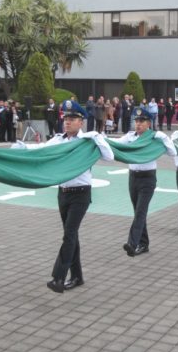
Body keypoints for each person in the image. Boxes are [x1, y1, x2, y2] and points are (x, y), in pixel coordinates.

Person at [12, 100, 114, 292]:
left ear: (81, 121)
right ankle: (77, 276)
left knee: (69, 235)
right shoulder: (58, 140)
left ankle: (58, 277)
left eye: (72, 118)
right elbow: (42, 150)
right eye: (66, 118)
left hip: (81, 194)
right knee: (71, 236)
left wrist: (98, 138)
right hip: (63, 193)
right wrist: (24, 149)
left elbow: (109, 157)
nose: (67, 122)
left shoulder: (87, 142)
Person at [116, 107, 176, 256]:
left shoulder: (154, 137)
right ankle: (144, 244)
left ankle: (132, 243)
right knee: (137, 211)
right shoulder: (130, 137)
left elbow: (173, 152)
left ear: (149, 123)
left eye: (142, 121)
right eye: (136, 121)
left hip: (147, 178)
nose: (138, 124)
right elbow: (115, 144)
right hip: (133, 177)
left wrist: (164, 137)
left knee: (140, 212)